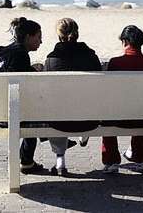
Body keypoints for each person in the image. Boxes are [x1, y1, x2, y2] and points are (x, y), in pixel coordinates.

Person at [43, 18, 102, 176]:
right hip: (90, 119)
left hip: (60, 122)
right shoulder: (91, 56)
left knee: (54, 107)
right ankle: (84, 135)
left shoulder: (51, 60)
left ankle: (60, 159)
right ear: (77, 33)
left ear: (59, 36)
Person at [101, 25, 143, 175]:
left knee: (108, 110)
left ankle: (111, 160)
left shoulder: (115, 63)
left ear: (125, 41)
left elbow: (109, 93)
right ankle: (139, 158)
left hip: (117, 118)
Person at [0, 17, 44, 174]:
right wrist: (36, 71)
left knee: (29, 111)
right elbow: (22, 86)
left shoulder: (8, 53)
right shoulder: (20, 55)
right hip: (5, 114)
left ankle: (28, 160)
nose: (41, 42)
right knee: (33, 114)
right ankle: (28, 160)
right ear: (28, 36)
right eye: (39, 37)